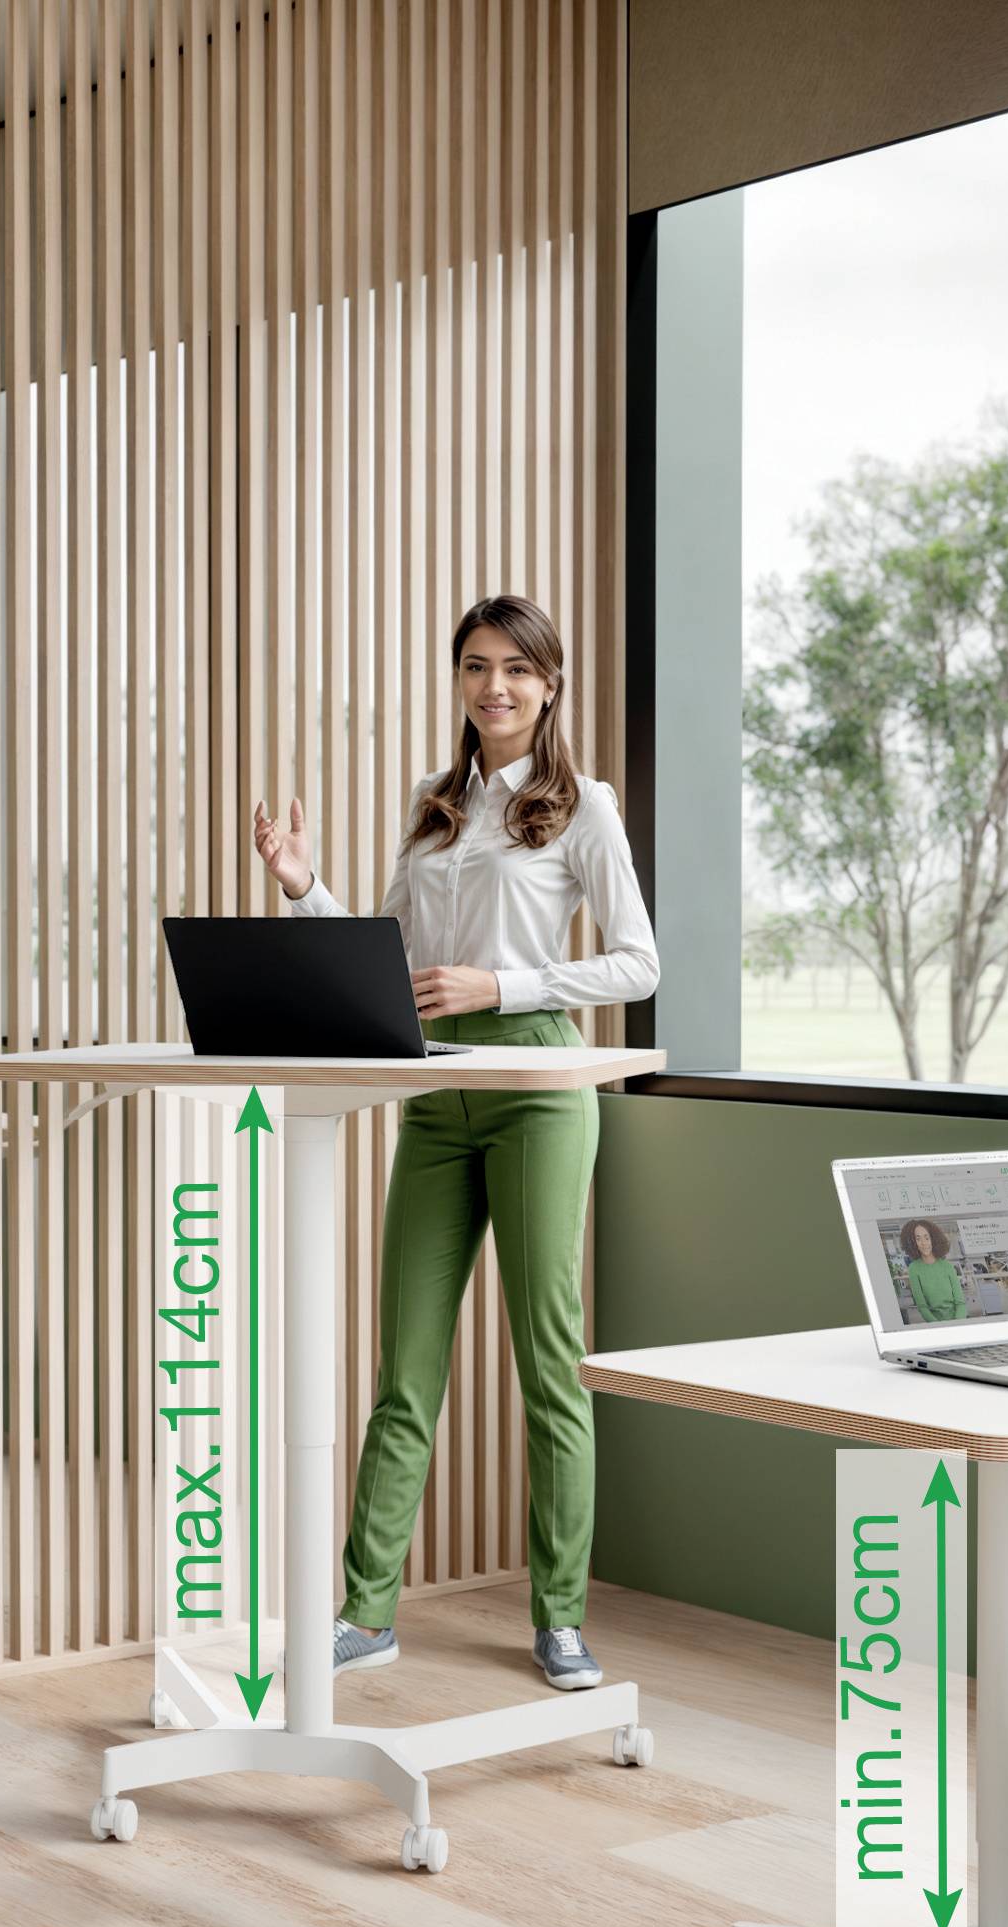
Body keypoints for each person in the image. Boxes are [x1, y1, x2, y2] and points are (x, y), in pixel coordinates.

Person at [252, 593, 659, 1694]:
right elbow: (383, 952)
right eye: (476, 667)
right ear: (460, 681)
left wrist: (504, 984)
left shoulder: (584, 808)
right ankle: (365, 1610)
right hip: (434, 1093)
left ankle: (561, 1617)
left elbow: (638, 964)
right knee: (404, 1369)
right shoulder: (434, 808)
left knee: (547, 1364)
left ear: (550, 682)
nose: (495, 687)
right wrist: (303, 888)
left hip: (532, 1081)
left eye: (516, 669)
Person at [901, 1218, 967, 1322]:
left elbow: (960, 1302)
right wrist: (938, 1327)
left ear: (933, 1239)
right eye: (918, 1239)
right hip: (934, 1323)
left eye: (927, 1238)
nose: (923, 1243)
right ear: (913, 1242)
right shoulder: (914, 1269)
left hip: (957, 1320)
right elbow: (922, 1306)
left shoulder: (947, 1266)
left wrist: (957, 1324)